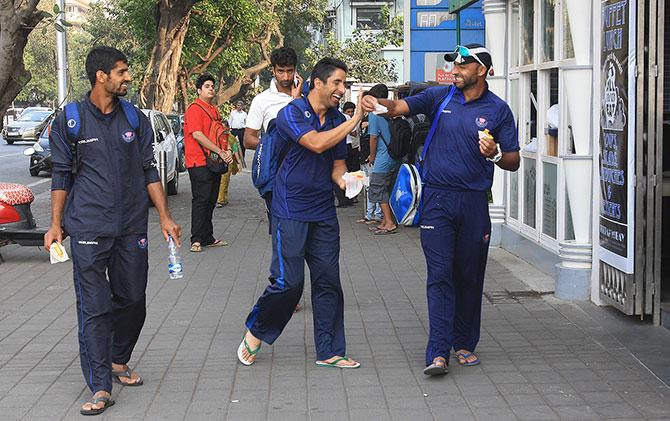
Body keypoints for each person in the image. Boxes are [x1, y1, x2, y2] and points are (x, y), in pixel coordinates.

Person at [362, 43, 520, 376]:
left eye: (462, 65)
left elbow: (514, 160)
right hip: (437, 200)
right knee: (439, 274)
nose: (455, 70)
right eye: (454, 64)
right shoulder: (440, 97)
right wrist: (379, 104)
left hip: (475, 202)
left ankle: (463, 343)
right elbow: (399, 106)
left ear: (481, 70)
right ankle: (438, 352)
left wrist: (493, 154)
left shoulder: (499, 110)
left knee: (468, 275)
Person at [45, 46, 181, 415]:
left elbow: (149, 170)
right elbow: (60, 175)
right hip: (88, 226)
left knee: (133, 299)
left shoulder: (134, 118)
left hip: (131, 224)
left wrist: (165, 217)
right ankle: (100, 385)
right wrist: (56, 224)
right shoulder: (70, 120)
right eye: (122, 72)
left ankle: (119, 359)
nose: (128, 77)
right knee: (95, 307)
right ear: (101, 76)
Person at [237, 58, 362, 369]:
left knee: (328, 280)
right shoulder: (291, 113)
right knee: (288, 284)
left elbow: (336, 165)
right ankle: (257, 329)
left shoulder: (335, 120)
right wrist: (355, 119)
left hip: (322, 211)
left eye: (344, 84)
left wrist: (348, 180)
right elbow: (316, 144)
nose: (341, 89)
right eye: (337, 83)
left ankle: (330, 350)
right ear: (317, 83)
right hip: (290, 208)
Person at [243, 47, 303, 222]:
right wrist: (272, 145)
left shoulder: (307, 97)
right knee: (280, 229)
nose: (285, 77)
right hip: (275, 175)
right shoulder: (261, 100)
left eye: (290, 71)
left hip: (304, 173)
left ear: (296, 70)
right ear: (273, 70)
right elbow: (248, 139)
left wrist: (298, 100)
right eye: (281, 71)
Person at [184, 74, 233, 252]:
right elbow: (197, 134)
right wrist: (219, 151)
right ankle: (196, 239)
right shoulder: (195, 109)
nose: (211, 88)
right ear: (198, 90)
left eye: (212, 85)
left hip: (213, 161)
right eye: (206, 86)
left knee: (211, 199)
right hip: (198, 161)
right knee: (201, 199)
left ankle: (207, 237)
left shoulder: (214, 110)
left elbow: (220, 134)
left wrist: (227, 151)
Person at [366, 84, 401, 235]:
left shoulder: (375, 113)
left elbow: (373, 137)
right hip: (395, 156)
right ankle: (386, 221)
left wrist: (372, 155)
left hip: (383, 157)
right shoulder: (390, 110)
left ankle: (389, 222)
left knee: (378, 188)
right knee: (388, 189)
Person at [333, 101, 359, 207]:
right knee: (348, 173)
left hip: (337, 146)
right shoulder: (346, 118)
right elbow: (354, 133)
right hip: (348, 146)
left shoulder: (330, 117)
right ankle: (350, 198)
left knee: (337, 174)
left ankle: (342, 199)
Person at [216, 120, 239, 207]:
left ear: (228, 128)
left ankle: (222, 198)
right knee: (222, 180)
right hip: (218, 160)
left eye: (224, 128)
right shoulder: (217, 136)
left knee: (225, 180)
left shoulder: (231, 137)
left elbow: (235, 150)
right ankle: (220, 199)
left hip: (228, 161)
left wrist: (238, 162)